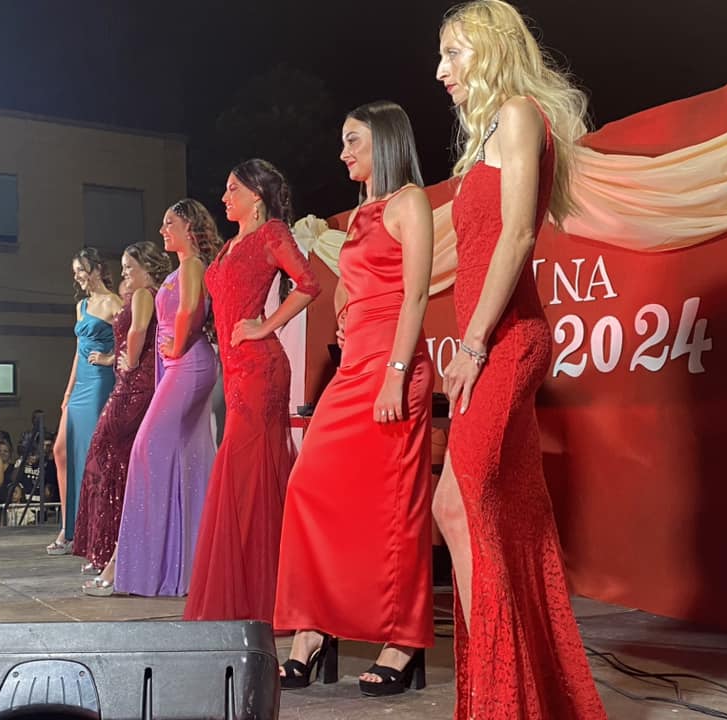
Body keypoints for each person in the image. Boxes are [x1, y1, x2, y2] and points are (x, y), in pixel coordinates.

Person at [432, 2, 607, 717]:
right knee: (513, 519)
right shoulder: (496, 130)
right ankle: (530, 690)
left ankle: (503, 696)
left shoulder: (518, 113)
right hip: (497, 338)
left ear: (491, 47)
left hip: (505, 340)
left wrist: (472, 343)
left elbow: (514, 241)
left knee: (457, 506)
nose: (441, 71)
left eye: (452, 53)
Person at [273, 102, 435, 696]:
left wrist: (395, 371)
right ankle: (311, 632)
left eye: (353, 142)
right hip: (353, 367)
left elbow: (416, 294)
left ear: (385, 143)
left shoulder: (409, 201)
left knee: (392, 506)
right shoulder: (364, 211)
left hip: (395, 365)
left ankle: (401, 640)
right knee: (310, 487)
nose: (343, 153)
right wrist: (345, 323)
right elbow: (358, 284)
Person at [183, 160, 321, 624]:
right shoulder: (229, 247)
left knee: (247, 482)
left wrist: (265, 326)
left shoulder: (272, 234)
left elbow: (309, 284)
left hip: (261, 373)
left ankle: (262, 600)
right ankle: (250, 596)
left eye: (231, 189)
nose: (224, 198)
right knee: (244, 483)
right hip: (234, 373)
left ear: (255, 197)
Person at [86, 200, 219, 597]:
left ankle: (131, 568)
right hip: (178, 366)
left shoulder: (193, 266)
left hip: (188, 366)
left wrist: (175, 345)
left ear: (189, 227)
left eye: (169, 223)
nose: (162, 230)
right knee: (186, 461)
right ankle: (182, 569)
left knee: (146, 451)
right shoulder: (179, 271)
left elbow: (192, 310)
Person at [75, 241, 169, 577]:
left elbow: (139, 331)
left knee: (103, 453)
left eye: (130, 267)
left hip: (133, 386)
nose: (126, 273)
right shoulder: (149, 293)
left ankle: (108, 549)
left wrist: (125, 361)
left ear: (145, 267)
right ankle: (109, 550)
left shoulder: (145, 295)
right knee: (116, 460)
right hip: (132, 383)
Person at [46, 248, 121, 555]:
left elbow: (135, 343)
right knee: (61, 451)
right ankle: (70, 526)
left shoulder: (115, 303)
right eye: (75, 271)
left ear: (97, 269)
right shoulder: (82, 306)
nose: (77, 276)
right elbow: (78, 353)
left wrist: (110, 359)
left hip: (101, 384)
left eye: (81, 270)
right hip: (79, 389)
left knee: (93, 458)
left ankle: (92, 530)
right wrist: (67, 393)